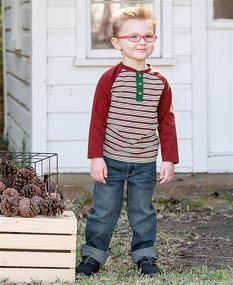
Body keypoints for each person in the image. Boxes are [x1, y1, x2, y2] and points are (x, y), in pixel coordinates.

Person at [76, 5, 179, 277]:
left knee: (143, 212)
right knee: (103, 212)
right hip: (111, 159)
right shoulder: (110, 79)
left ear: (154, 40)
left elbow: (166, 121)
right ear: (117, 43)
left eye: (147, 36)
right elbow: (98, 120)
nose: (141, 41)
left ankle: (145, 256)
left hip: (145, 163)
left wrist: (168, 158)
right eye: (132, 37)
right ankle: (93, 257)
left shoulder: (161, 82)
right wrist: (96, 157)